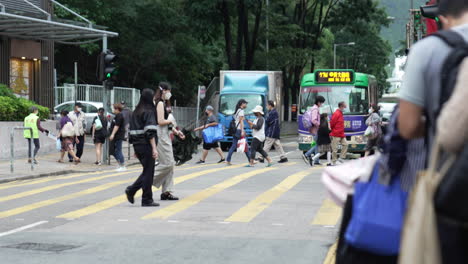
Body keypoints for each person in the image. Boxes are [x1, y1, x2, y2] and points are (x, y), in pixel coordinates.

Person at [125, 88, 159, 207]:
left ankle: (132, 190)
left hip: (138, 146)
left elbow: (132, 132)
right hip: (146, 145)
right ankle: (146, 199)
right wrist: (154, 148)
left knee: (146, 171)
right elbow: (150, 132)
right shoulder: (149, 111)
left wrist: (135, 150)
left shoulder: (136, 112)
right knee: (149, 173)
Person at [153, 82, 179, 201]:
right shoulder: (159, 103)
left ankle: (167, 192)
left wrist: (176, 131)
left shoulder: (164, 103)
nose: (170, 93)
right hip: (161, 135)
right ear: (163, 91)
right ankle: (146, 180)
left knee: (170, 164)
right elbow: (160, 121)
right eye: (168, 90)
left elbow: (167, 123)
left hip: (165, 134)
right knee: (168, 163)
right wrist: (170, 122)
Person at [226, 99, 251, 165]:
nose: (246, 105)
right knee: (245, 145)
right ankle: (251, 160)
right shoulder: (241, 111)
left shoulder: (237, 110)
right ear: (242, 104)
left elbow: (240, 120)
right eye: (245, 103)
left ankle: (228, 160)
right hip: (239, 130)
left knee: (234, 145)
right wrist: (243, 130)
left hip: (236, 130)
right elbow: (241, 121)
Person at [302, 96, 325, 165]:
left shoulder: (314, 108)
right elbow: (313, 120)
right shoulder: (315, 109)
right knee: (317, 145)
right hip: (315, 129)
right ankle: (306, 155)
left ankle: (316, 161)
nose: (322, 104)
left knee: (317, 144)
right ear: (318, 102)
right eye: (322, 103)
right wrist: (319, 125)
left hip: (314, 129)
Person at [109, 103, 126, 171]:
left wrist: (112, 134)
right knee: (113, 151)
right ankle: (120, 164)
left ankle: (122, 165)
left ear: (117, 109)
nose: (113, 110)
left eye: (114, 108)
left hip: (118, 136)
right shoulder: (117, 116)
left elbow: (117, 126)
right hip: (116, 136)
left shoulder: (119, 116)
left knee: (118, 150)